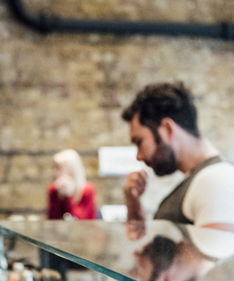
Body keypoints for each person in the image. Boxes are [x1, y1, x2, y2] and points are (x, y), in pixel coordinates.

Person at [121, 81, 234, 232]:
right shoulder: (199, 178)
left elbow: (214, 254)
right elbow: (148, 245)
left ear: (167, 129)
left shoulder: (215, 180)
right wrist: (133, 202)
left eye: (139, 142)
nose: (139, 156)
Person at [46, 148, 96, 220]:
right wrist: (61, 196)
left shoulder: (87, 190)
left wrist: (69, 196)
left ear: (71, 170)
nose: (55, 172)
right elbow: (52, 219)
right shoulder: (53, 189)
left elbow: (84, 219)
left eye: (58, 168)